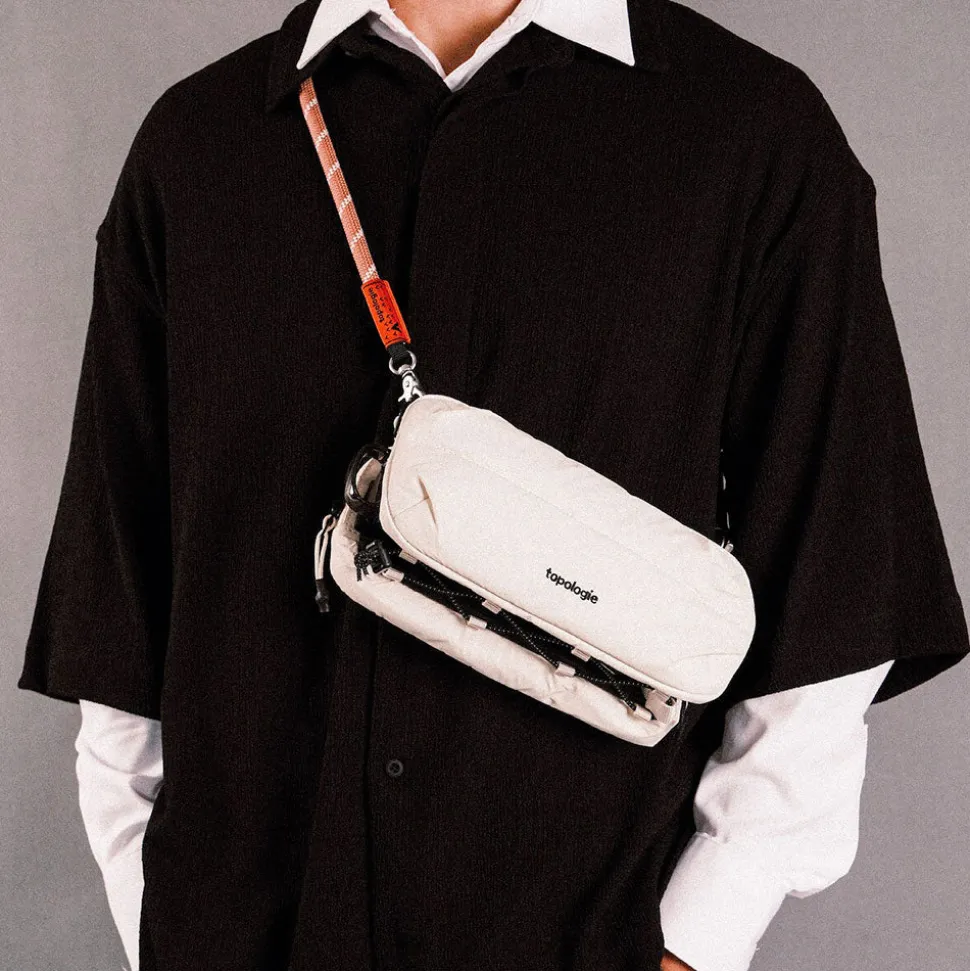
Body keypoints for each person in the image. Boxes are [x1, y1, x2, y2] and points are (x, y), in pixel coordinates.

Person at [18, 2, 969, 970]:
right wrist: (157, 910)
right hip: (242, 922)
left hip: (591, 922)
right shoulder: (201, 141)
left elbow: (839, 555)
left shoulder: (749, 128)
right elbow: (119, 578)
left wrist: (703, 927)